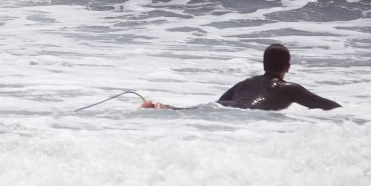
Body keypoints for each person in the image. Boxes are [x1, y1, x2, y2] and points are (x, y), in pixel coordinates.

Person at [140, 44, 341, 111]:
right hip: (246, 113)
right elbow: (330, 107)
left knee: (189, 110)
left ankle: (161, 106)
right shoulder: (289, 89)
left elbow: (217, 105)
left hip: (227, 107)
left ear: (264, 65)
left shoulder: (245, 83)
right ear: (287, 68)